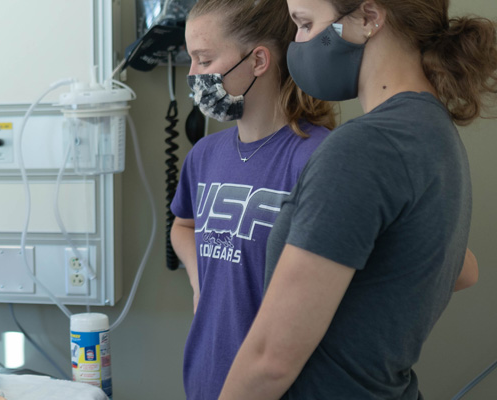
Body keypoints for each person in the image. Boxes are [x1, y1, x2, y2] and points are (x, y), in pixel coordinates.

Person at [219, 0, 492, 397]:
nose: (296, 43)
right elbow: (455, 266)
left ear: (368, 18)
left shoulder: (366, 148)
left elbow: (270, 361)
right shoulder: (432, 131)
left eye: (305, 24)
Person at [170, 1, 336, 398]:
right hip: (207, 376)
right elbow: (182, 225)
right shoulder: (204, 156)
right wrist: (199, 279)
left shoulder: (320, 158)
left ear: (258, 59)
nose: (193, 75)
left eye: (203, 59)